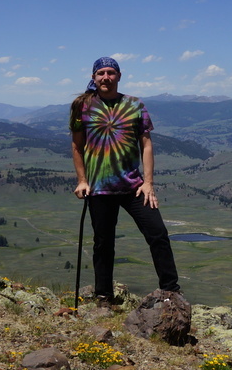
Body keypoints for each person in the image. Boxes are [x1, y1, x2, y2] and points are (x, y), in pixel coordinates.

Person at [70, 56, 181, 301]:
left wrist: (149, 183)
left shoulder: (135, 104)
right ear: (93, 77)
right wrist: (82, 180)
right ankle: (103, 296)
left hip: (134, 187)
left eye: (111, 72)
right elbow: (77, 147)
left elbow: (146, 144)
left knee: (158, 234)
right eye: (101, 73)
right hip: (99, 188)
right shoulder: (83, 106)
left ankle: (171, 291)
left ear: (119, 76)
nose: (106, 77)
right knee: (103, 243)